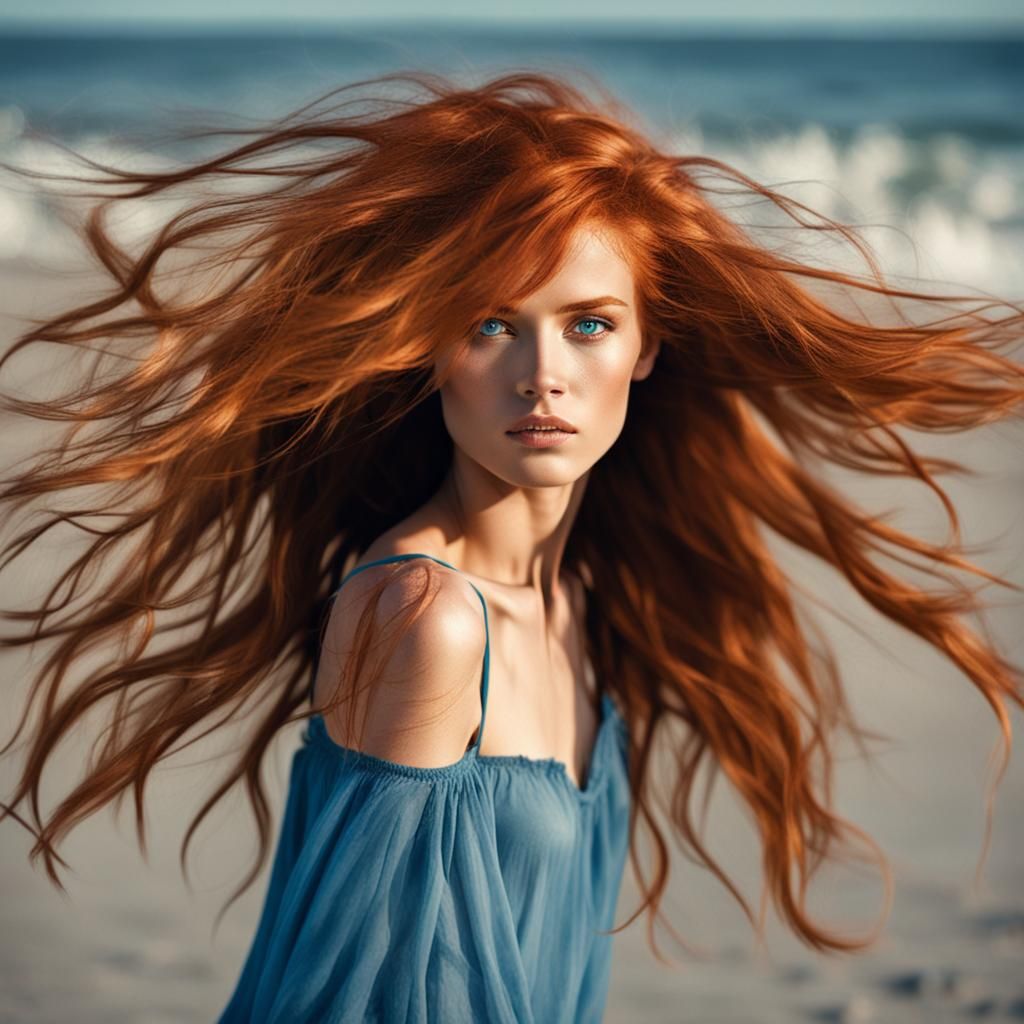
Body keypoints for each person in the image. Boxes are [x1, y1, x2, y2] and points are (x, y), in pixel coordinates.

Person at [1, 68, 1022, 1023]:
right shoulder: (428, 619)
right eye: (491, 323)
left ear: (647, 344)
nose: (542, 374)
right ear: (431, 347)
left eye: (589, 324)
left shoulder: (579, 598)